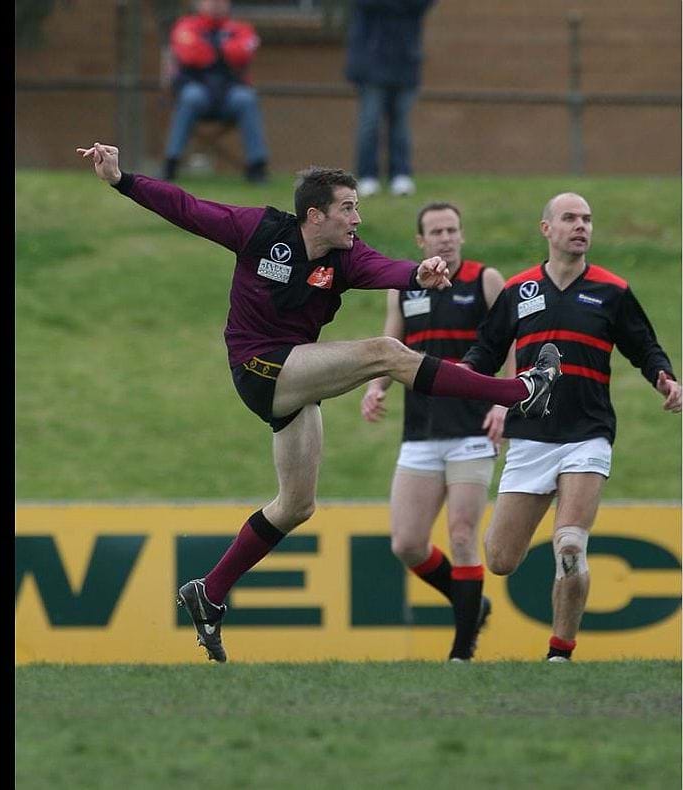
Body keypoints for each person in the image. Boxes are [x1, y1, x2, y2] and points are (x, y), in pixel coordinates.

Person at [76, 141, 562, 662]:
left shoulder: (346, 257)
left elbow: (386, 269)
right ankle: (520, 392)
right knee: (385, 352)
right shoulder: (260, 230)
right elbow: (190, 210)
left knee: (296, 505)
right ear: (315, 215)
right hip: (257, 368)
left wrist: (417, 273)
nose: (358, 217)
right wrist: (122, 179)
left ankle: (208, 592)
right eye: (348, 207)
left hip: (295, 377)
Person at [460, 192, 680, 662]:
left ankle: (559, 653)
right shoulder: (518, 290)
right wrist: (463, 377)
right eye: (570, 218)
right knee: (499, 559)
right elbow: (486, 349)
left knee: (570, 544)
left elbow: (645, 348)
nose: (581, 226)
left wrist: (665, 378)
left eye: (587, 219)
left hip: (587, 435)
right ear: (547, 229)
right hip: (530, 438)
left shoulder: (611, 290)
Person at [360, 202, 507, 660]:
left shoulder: (486, 280)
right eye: (436, 232)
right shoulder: (405, 290)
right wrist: (377, 387)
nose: (446, 237)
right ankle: (471, 605)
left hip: (471, 431)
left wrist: (506, 402)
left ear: (461, 235)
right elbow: (393, 343)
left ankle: (461, 652)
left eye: (452, 230)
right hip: (420, 431)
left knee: (463, 534)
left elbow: (516, 341)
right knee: (406, 543)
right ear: (421, 242)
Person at [162, 0, 269, 183]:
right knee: (190, 97)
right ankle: (171, 163)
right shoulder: (186, 25)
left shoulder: (241, 28)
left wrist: (211, 48)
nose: (216, 5)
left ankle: (257, 166)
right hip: (199, 90)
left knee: (246, 99)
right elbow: (190, 54)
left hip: (230, 93)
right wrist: (223, 50)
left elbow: (243, 51)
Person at [345, 0, 436, 198]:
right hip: (371, 62)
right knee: (370, 123)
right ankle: (367, 175)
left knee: (400, 124)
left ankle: (400, 174)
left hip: (406, 61)